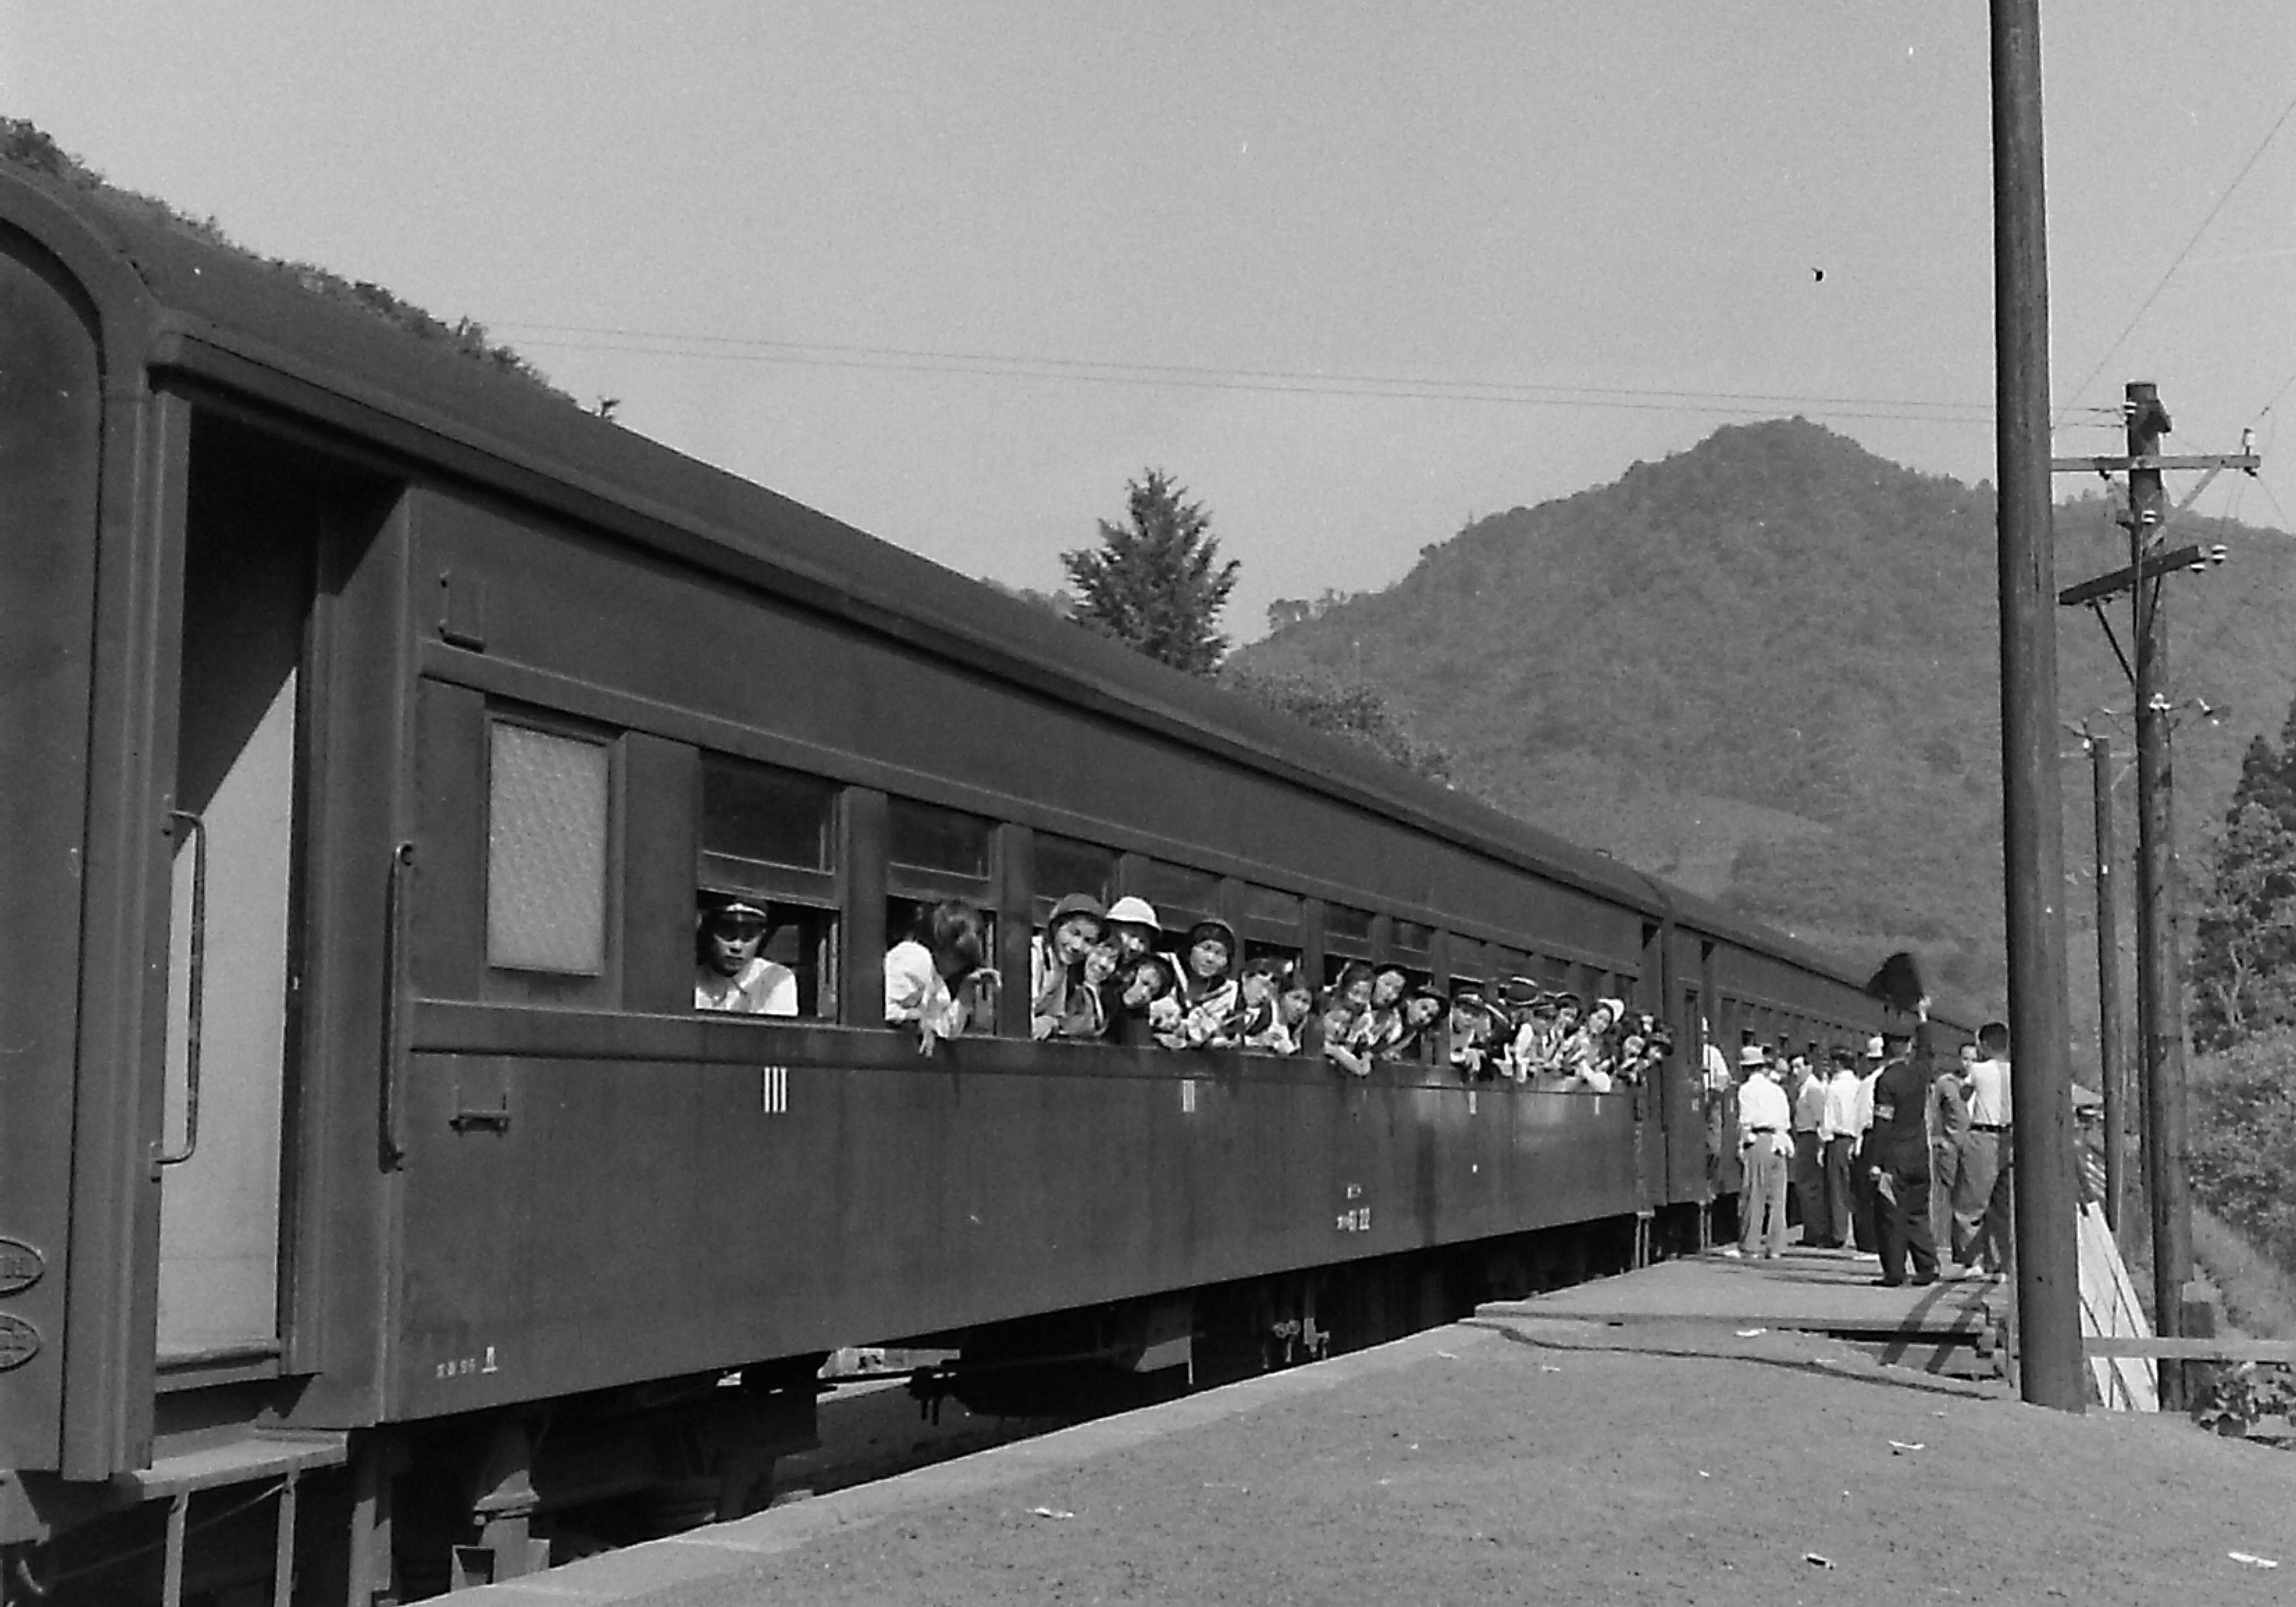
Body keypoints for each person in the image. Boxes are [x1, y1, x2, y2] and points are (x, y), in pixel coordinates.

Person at [1867, 1010, 1940, 1287]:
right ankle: (1927, 1266)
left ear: (1885, 1049)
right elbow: (1928, 1053)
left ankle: (1894, 1272)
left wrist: (1875, 1161)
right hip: (1919, 1155)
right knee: (1918, 1213)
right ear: (1908, 1046)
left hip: (1894, 1159)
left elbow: (1882, 1124)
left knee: (1891, 1214)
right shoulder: (1919, 1073)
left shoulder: (1885, 1081)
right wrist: (1923, 1019)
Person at [884, 899, 998, 1054]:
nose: (961, 967)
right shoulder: (916, 958)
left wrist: (966, 990)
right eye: (961, 958)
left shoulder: (936, 978)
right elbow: (882, 1008)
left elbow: (946, 1032)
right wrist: (917, 1019)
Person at [1953, 1020, 2015, 1276]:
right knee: (2003, 1204)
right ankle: (2002, 1263)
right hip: (2009, 1137)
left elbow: (1965, 1094)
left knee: (1972, 1202)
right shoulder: (2016, 1070)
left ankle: (1974, 1259)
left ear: (1986, 1045)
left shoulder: (1979, 1070)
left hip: (1983, 1135)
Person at [1727, 1046, 1792, 1259]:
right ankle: (1776, 1248)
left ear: (1746, 1069)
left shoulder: (1746, 1090)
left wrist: (1741, 1146)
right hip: (1780, 1141)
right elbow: (1785, 1119)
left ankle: (1750, 1246)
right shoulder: (1777, 1090)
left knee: (1754, 1194)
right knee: (1778, 1199)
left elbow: (1746, 1121)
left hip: (1759, 1141)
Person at [694, 898, 799, 1015]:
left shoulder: (776, 979)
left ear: (762, 937)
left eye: (748, 937)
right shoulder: (692, 982)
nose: (737, 947)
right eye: (726, 934)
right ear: (709, 932)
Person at [1030, 893, 1105, 1040]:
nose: (1078, 946)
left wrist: (1050, 1021)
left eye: (1088, 941)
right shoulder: (1035, 954)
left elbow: (1056, 1014)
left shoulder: (1062, 967)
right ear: (1056, 927)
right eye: (1074, 933)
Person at [1927, 1039, 1972, 1260]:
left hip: (1975, 1146)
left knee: (1972, 1199)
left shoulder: (1981, 1082)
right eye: (1965, 1059)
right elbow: (1933, 1112)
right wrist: (1937, 1139)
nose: (1968, 1064)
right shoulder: (1947, 1083)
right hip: (1952, 1145)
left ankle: (1972, 1251)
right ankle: (1952, 1247)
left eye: (1973, 1059)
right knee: (1953, 1196)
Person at [1817, 1045, 1863, 1251]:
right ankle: (1857, 1234)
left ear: (1838, 1064)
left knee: (1837, 1189)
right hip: (1857, 1139)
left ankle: (1839, 1234)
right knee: (1855, 1189)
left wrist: (1823, 1144)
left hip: (1838, 1141)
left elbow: (1828, 1119)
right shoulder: (1860, 1086)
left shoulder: (1834, 1088)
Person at [1171, 919, 1243, 1048]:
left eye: (1219, 953)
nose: (1210, 959)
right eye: (1206, 949)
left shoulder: (1227, 991)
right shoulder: (1168, 971)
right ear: (1190, 948)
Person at [1789, 1050, 1831, 1248]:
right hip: (1805, 1138)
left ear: (1809, 1067)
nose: (1794, 1072)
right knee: (1805, 1188)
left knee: (1810, 1187)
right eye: (1793, 1068)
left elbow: (1820, 1118)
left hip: (1811, 1138)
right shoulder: (1805, 1088)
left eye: (1798, 1067)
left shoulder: (1813, 1090)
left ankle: (1816, 1232)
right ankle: (1811, 1230)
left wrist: (1820, 1146)